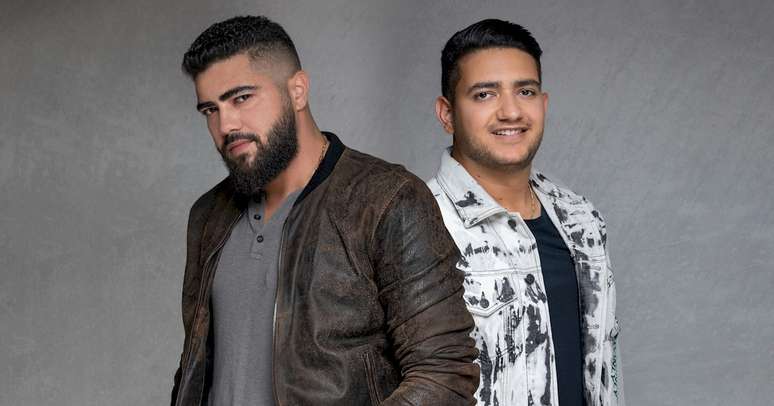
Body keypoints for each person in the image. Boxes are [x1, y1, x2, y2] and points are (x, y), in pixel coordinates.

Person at [170, 15, 479, 406]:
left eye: (241, 98)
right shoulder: (208, 215)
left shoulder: (387, 199)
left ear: (297, 90)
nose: (226, 124)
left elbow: (444, 373)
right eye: (209, 110)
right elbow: (195, 370)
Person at [427, 19, 624, 406]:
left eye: (525, 91)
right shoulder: (420, 225)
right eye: (484, 94)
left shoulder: (582, 219)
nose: (511, 111)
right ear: (447, 113)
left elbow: (608, 369)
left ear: (543, 104)